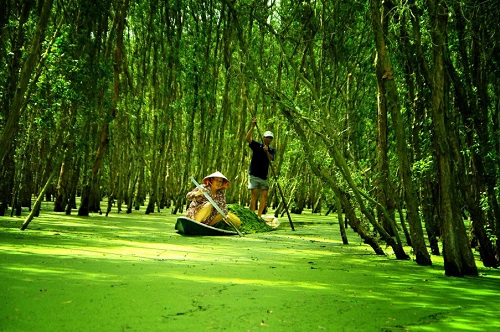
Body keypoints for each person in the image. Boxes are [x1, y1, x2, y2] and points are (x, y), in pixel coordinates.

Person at [246, 117, 276, 218]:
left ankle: (259, 216)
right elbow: (247, 138)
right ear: (263, 138)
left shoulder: (271, 150)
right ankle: (251, 216)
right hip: (254, 174)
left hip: (264, 177)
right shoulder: (256, 145)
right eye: (267, 137)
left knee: (265, 196)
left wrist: (266, 150)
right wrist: (252, 126)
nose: (268, 139)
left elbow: (271, 159)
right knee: (254, 194)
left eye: (270, 138)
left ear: (271, 140)